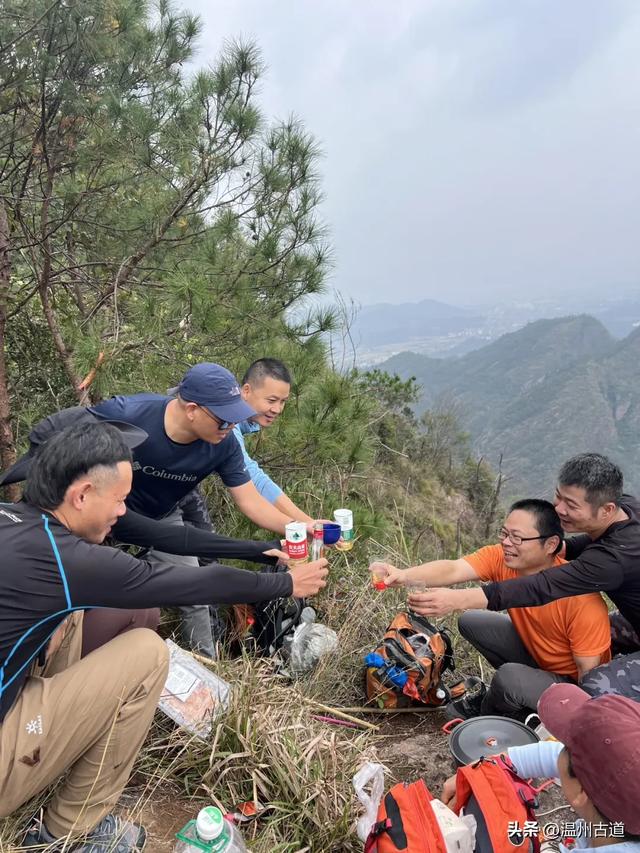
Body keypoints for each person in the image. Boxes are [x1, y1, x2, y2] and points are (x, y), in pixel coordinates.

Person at [0, 421, 328, 851]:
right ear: (80, 495)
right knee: (146, 654)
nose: (122, 511)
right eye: (118, 499)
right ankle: (70, 830)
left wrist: (255, 550)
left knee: (102, 612)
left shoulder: (18, 523)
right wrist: (286, 586)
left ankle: (71, 737)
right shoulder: (66, 561)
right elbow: (187, 584)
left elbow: (166, 536)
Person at [0, 362, 316, 657]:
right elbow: (58, 431)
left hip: (153, 516)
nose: (230, 426)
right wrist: (32, 482)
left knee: (177, 589)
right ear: (192, 409)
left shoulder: (225, 444)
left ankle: (205, 663)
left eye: (235, 418)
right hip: (97, 519)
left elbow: (237, 507)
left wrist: (280, 540)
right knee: (94, 604)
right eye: (223, 418)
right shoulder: (131, 415)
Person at [409, 454, 640, 701]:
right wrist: (558, 548)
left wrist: (458, 599)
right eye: (559, 496)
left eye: (571, 505)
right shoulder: (626, 508)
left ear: (607, 510)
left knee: (595, 686)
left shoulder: (614, 559)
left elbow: (543, 586)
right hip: (633, 618)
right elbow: (601, 542)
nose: (559, 509)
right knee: (600, 634)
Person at [377, 499, 611, 720]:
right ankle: (520, 692)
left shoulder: (582, 601)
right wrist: (402, 575)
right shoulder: (503, 558)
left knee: (508, 678)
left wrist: (570, 725)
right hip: (537, 656)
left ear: (550, 544)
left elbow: (589, 680)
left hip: (568, 684)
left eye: (517, 538)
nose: (507, 543)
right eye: (505, 534)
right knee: (472, 621)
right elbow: (453, 569)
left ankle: (490, 713)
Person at [441, 683, 640, 851]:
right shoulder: (617, 821)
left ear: (581, 791)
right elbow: (552, 755)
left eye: (567, 747)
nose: (559, 747)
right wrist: (482, 770)